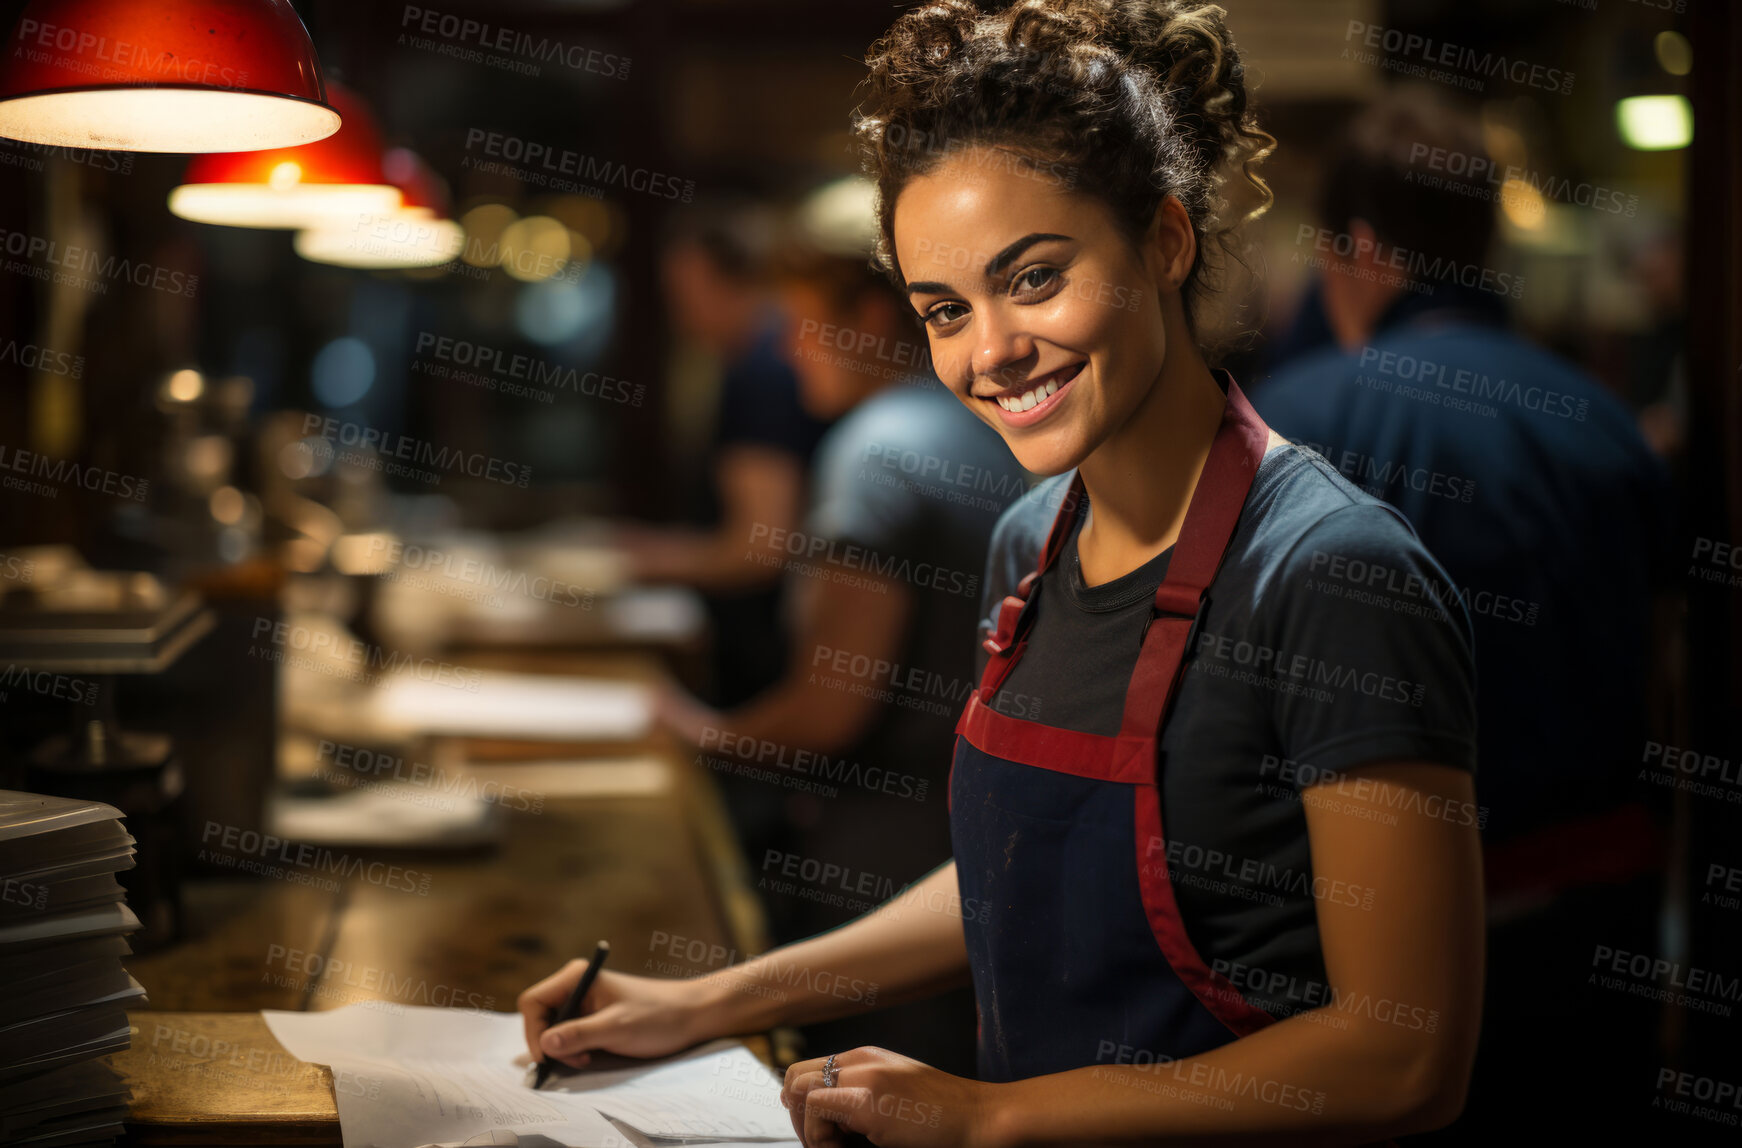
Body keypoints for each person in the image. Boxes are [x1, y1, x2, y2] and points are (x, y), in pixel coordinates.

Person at [520, 3, 1483, 1144]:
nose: (988, 352)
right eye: (943, 310)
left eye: (1031, 277)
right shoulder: (1029, 543)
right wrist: (710, 998)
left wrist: (990, 1116)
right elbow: (1017, 883)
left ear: (1164, 241)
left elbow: (1404, 1049)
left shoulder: (1332, 574)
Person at [1250, 88, 1674, 1141]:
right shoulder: (1605, 420)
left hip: (1354, 955)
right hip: (1594, 926)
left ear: (1356, 247)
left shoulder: (1285, 423)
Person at [648, 175, 1031, 1078]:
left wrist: (702, 734)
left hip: (885, 862)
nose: (790, 349)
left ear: (870, 311)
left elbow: (831, 706)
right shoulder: (976, 428)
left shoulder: (876, 454)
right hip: (974, 849)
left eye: (807, 321)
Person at [616, 202, 833, 707]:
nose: (680, 316)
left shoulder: (762, 369)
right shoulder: (759, 356)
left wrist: (630, 562)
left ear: (728, 281)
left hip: (764, 650)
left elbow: (760, 547)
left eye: (684, 295)